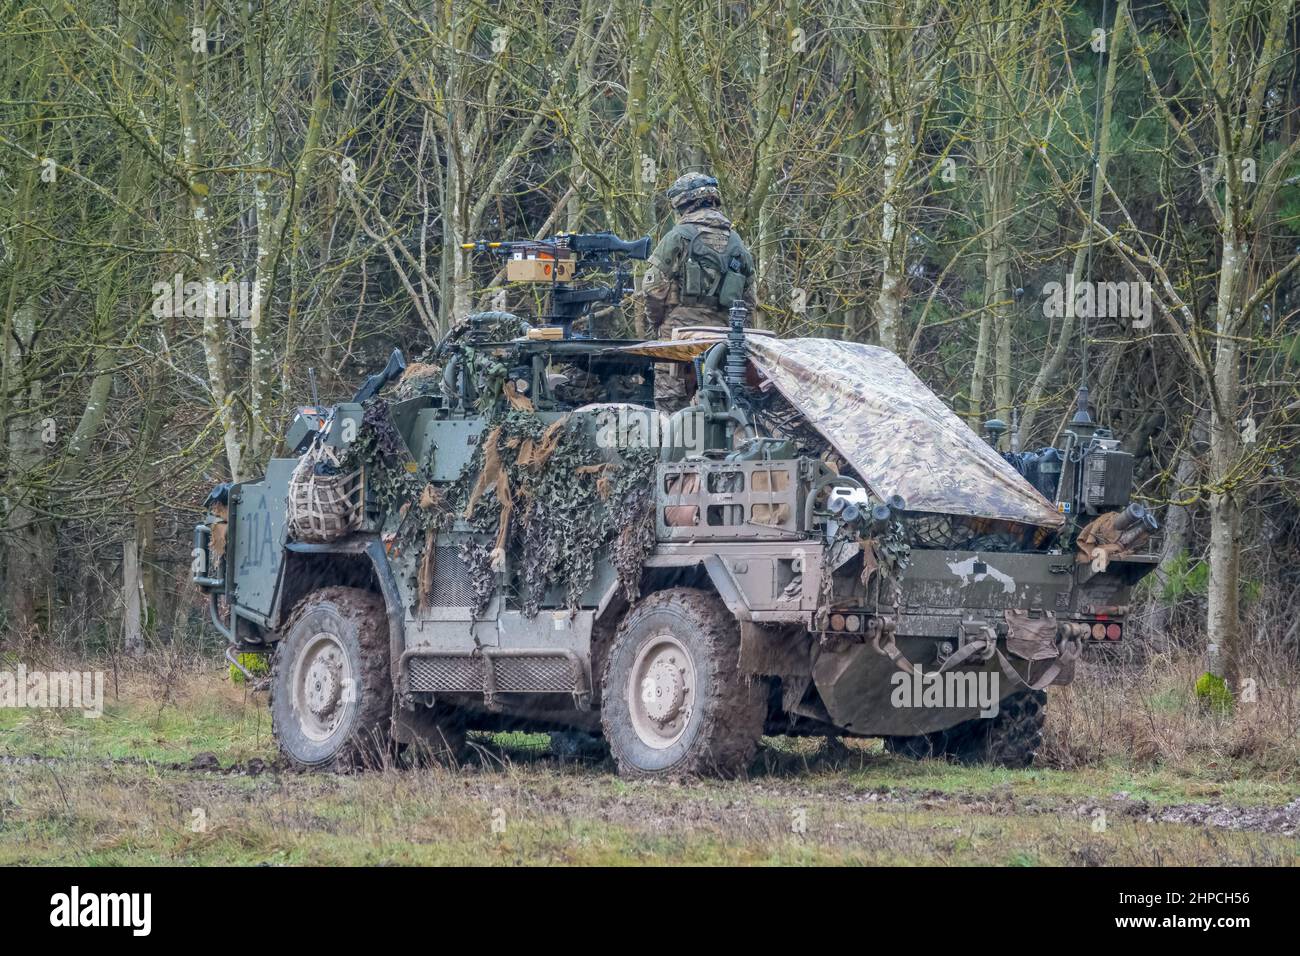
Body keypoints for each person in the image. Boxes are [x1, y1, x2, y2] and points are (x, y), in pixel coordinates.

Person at [643, 173, 756, 413]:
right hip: (723, 339)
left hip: (677, 339)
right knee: (722, 404)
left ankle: (675, 449)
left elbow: (653, 289)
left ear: (682, 203)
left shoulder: (677, 237)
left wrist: (658, 322)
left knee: (670, 407)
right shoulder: (737, 243)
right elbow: (748, 302)